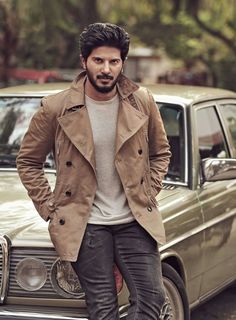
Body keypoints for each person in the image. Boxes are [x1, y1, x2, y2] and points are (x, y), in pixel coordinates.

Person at [17, 22, 171, 320]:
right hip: (86, 223)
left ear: (122, 63)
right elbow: (28, 161)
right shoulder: (56, 107)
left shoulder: (142, 101)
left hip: (134, 219)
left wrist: (148, 189)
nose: (106, 69)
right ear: (84, 61)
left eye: (114, 61)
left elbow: (161, 152)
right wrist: (50, 206)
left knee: (152, 300)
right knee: (102, 307)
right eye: (98, 60)